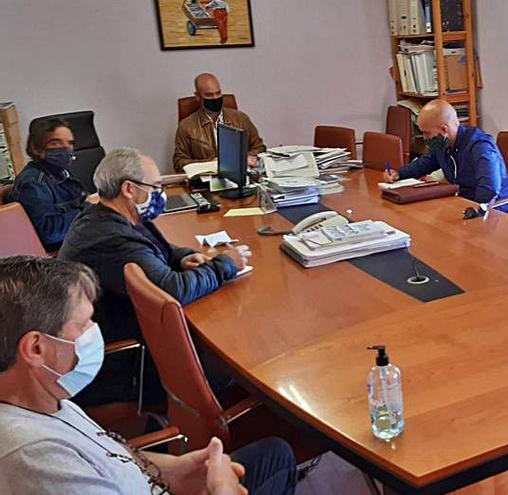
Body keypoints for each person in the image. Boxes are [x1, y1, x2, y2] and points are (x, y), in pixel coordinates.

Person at [0, 256, 296, 494]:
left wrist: (171, 471)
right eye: (85, 323)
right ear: (36, 349)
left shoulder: (44, 395)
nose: (94, 332)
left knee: (276, 454)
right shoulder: (36, 461)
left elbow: (105, 454)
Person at [59, 148, 250, 407]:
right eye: (156, 186)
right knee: (237, 357)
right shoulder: (113, 240)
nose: (159, 193)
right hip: (123, 359)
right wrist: (227, 263)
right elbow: (173, 291)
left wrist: (182, 257)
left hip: (128, 332)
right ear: (129, 189)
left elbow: (155, 246)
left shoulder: (108, 215)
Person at [383, 99, 508, 213]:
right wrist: (399, 174)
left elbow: (489, 189)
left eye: (427, 133)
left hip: (495, 213)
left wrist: (474, 213)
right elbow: (425, 163)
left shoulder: (480, 146)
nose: (424, 138)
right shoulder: (443, 144)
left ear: (444, 129)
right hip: (464, 205)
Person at [8, 118, 96, 251]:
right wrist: (88, 207)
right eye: (55, 143)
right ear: (35, 148)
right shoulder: (33, 184)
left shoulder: (60, 172)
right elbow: (49, 233)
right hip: (60, 255)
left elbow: (72, 205)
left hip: (79, 240)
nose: (65, 149)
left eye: (69, 143)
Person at [173, 73, 266, 172]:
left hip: (238, 175)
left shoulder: (241, 119)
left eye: (218, 93)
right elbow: (179, 162)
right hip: (205, 181)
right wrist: (210, 163)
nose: (215, 98)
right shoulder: (186, 126)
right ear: (198, 96)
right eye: (209, 95)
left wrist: (241, 158)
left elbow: (260, 148)